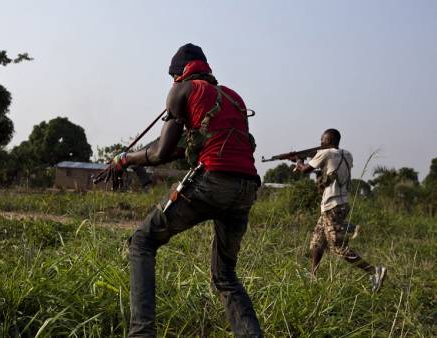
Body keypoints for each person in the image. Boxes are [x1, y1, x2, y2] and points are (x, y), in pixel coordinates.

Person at [103, 43, 263, 337]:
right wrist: (130, 159)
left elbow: (162, 152)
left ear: (178, 74)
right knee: (225, 276)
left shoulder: (182, 90)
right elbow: (182, 149)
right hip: (247, 187)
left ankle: (141, 334)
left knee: (142, 241)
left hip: (212, 181)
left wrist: (123, 160)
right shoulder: (232, 97)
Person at [293, 129, 387, 292]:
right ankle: (313, 275)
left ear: (329, 139)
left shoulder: (326, 153)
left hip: (333, 205)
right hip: (339, 203)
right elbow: (330, 171)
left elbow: (305, 170)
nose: (320, 143)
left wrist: (298, 161)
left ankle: (374, 271)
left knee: (337, 246)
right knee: (317, 240)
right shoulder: (347, 154)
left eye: (322, 140)